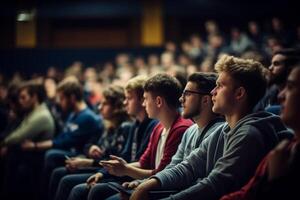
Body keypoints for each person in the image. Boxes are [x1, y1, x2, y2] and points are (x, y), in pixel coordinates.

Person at [128, 55, 288, 200]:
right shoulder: (222, 131)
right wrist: (148, 184)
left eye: (220, 86)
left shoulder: (249, 134)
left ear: (239, 93)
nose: (212, 92)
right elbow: (188, 167)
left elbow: (215, 185)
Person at [67, 73, 193, 200]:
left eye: (145, 99)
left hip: (163, 191)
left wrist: (126, 170)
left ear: (159, 101)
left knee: (96, 192)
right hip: (150, 184)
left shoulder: (180, 129)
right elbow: (144, 162)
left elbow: (162, 174)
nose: (144, 104)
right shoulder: (159, 127)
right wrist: (115, 168)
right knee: (96, 191)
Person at [104, 72, 225, 200]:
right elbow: (172, 168)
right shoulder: (190, 131)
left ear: (206, 99)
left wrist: (141, 182)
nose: (181, 99)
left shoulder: (211, 132)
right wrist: (141, 183)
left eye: (187, 94)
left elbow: (199, 181)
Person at [51, 76, 157, 200]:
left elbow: (128, 159)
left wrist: (94, 166)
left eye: (129, 98)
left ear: (141, 100)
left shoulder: (136, 126)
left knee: (78, 186)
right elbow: (118, 155)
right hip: (121, 172)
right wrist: (94, 158)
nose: (125, 102)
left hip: (129, 177)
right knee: (65, 176)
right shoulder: (134, 125)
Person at [220, 61, 300, 200]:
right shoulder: (286, 148)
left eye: (291, 87)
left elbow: (217, 182)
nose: (280, 95)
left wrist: (276, 180)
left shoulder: (249, 134)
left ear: (239, 93)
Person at [0, 80, 55, 200]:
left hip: (36, 158)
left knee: (10, 156)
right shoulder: (34, 112)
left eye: (23, 97)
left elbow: (18, 136)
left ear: (34, 97)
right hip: (29, 155)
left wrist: (3, 143)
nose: (20, 101)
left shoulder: (41, 115)